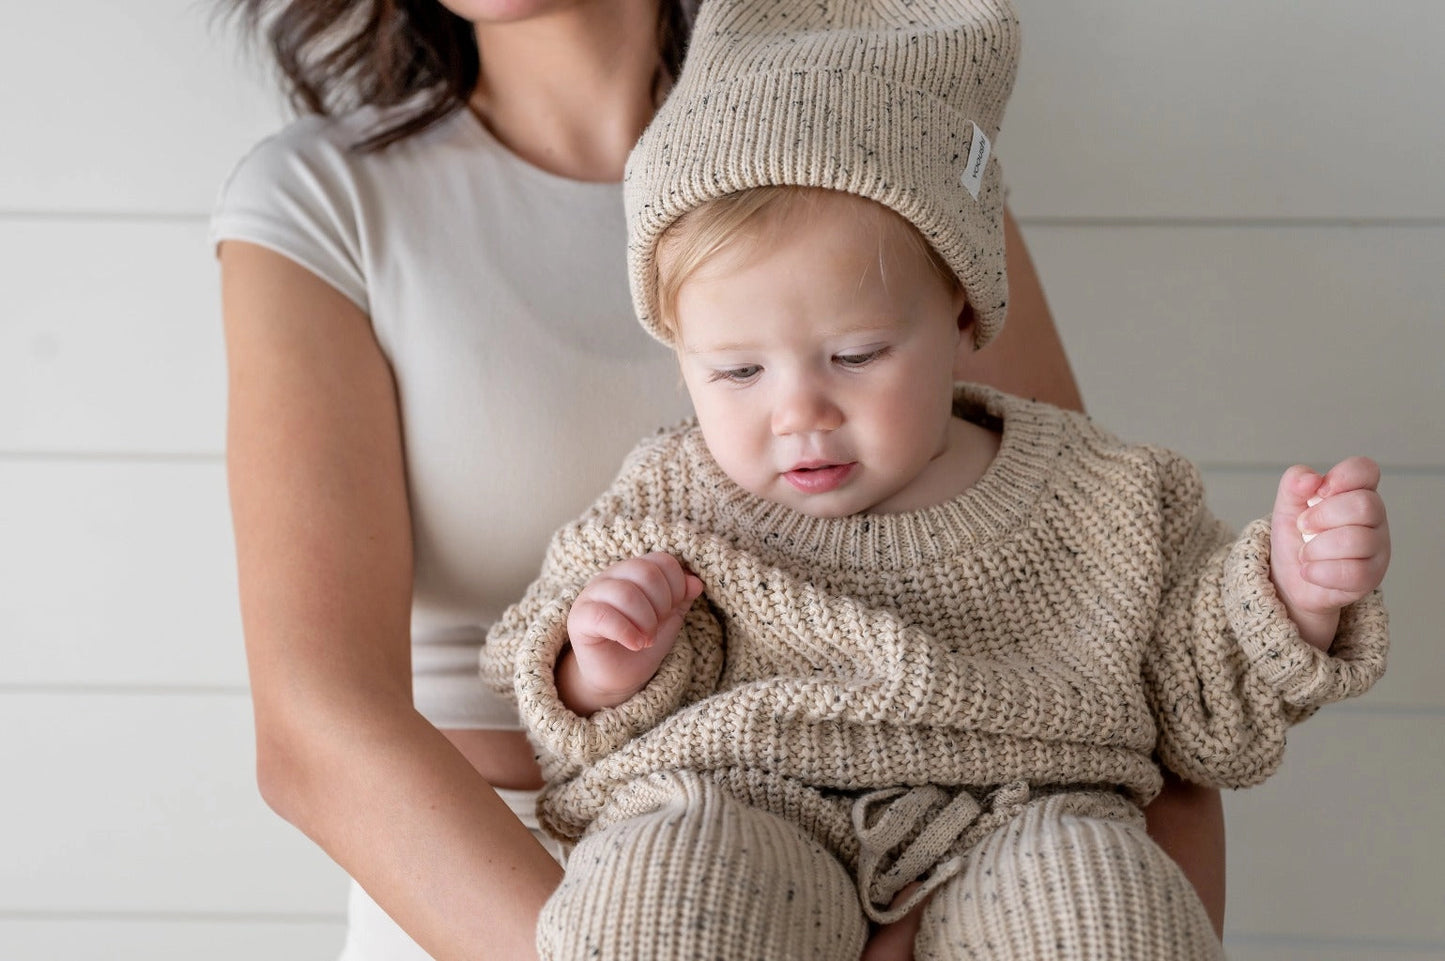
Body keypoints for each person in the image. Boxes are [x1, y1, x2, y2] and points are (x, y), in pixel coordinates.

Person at [212, 1, 1225, 958]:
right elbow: (315, 723)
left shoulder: (884, 155)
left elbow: (1112, 619)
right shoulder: (323, 201)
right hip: (485, 901)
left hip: (951, 883)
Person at [480, 2, 1392, 959]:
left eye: (857, 353)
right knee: (657, 891)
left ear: (961, 315)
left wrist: (1291, 594)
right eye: (738, 371)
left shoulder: (1103, 492)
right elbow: (567, 717)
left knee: (1099, 901)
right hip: (738, 796)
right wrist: (607, 659)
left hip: (1019, 812)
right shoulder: (673, 497)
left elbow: (1200, 714)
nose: (798, 413)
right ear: (681, 361)